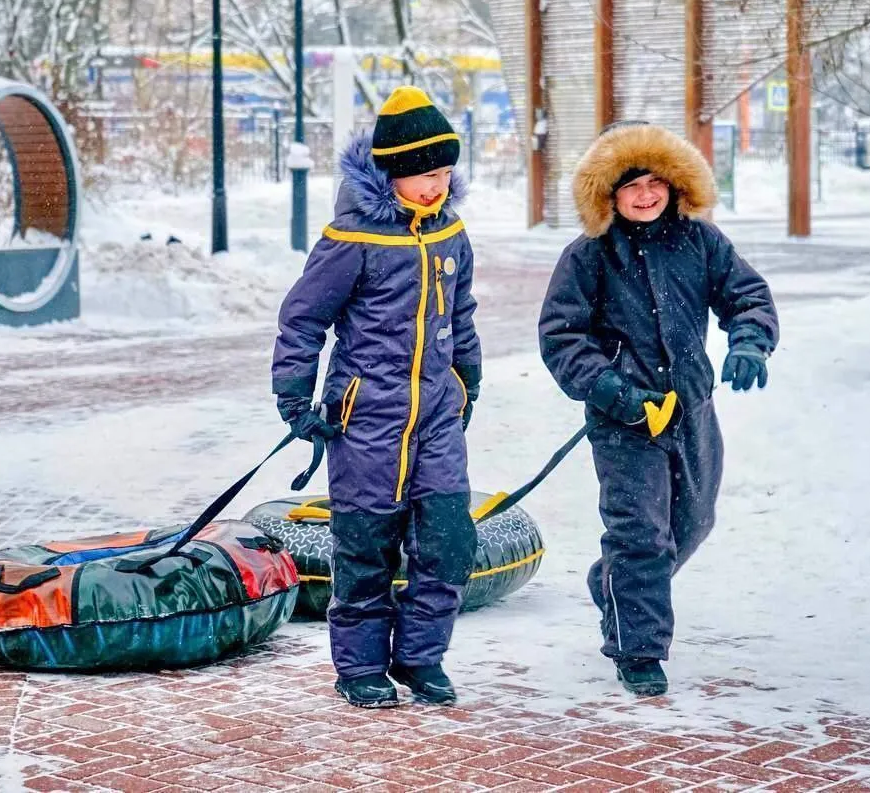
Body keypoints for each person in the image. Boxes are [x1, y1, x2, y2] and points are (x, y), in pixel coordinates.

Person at [537, 121, 779, 697]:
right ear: (609, 194)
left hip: (691, 410)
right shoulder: (589, 256)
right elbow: (561, 336)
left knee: (692, 523)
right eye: (631, 186)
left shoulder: (700, 241)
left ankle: (616, 586)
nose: (645, 196)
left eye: (655, 183)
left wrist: (749, 341)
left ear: (674, 183)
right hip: (624, 418)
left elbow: (747, 296)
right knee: (641, 534)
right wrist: (613, 391)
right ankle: (638, 650)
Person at [272, 86, 481, 709]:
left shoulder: (451, 232)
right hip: (366, 417)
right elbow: (302, 319)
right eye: (421, 175)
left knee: (448, 540)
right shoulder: (352, 238)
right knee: (366, 546)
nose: (433, 186)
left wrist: (467, 382)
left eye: (443, 172)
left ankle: (420, 658)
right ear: (390, 172)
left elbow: (461, 313)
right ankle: (360, 667)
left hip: (437, 414)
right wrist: (295, 398)